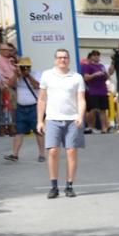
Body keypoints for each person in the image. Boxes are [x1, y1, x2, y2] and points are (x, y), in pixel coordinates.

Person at [37, 48, 86, 199]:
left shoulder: (76, 77)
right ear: (55, 60)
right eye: (59, 57)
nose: (62, 60)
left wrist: (80, 116)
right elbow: (42, 99)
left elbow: (81, 99)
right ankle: (53, 186)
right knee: (52, 151)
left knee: (71, 151)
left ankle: (69, 185)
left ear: (69, 60)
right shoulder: (47, 75)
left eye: (65, 57)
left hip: (72, 119)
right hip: (52, 118)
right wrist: (39, 120)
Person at [4, 56, 45, 163]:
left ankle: (41, 154)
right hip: (21, 107)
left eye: (25, 67)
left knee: (38, 131)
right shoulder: (17, 76)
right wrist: (16, 75)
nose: (24, 69)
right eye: (22, 67)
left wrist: (28, 76)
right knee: (19, 131)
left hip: (33, 107)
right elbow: (9, 85)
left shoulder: (36, 74)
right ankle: (15, 155)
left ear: (29, 67)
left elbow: (38, 86)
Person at [81, 50, 109, 133]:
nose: (96, 57)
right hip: (93, 90)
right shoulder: (87, 66)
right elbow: (86, 77)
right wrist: (95, 74)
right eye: (94, 55)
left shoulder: (102, 66)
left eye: (98, 55)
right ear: (91, 56)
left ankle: (104, 128)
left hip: (103, 90)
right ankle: (90, 126)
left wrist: (105, 74)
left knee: (103, 110)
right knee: (93, 109)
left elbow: (106, 77)